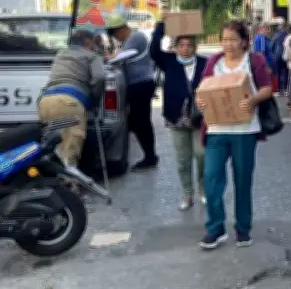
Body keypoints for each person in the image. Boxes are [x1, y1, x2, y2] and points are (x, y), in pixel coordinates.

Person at [196, 20, 273, 250]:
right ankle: (215, 229)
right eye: (224, 39)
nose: (228, 44)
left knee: (243, 180)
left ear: (243, 41)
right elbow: (202, 89)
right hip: (217, 131)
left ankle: (243, 229)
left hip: (244, 131)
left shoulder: (254, 61)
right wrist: (200, 101)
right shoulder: (214, 62)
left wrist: (254, 99)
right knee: (211, 178)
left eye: (233, 39)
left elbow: (267, 88)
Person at [150, 22, 208, 211]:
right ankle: (187, 194)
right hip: (176, 117)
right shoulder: (169, 61)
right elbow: (153, 50)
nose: (185, 49)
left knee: (202, 155)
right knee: (183, 160)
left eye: (189, 45)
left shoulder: (204, 63)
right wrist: (161, 27)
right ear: (175, 47)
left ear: (194, 47)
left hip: (199, 117)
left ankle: (203, 190)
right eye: (181, 45)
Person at [38, 28, 104, 167]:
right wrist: (95, 99)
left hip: (45, 102)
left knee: (53, 144)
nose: (95, 47)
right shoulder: (91, 56)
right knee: (70, 150)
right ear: (87, 43)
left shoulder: (60, 54)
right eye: (93, 44)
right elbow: (100, 77)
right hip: (69, 104)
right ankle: (70, 184)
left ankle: (52, 179)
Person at [107, 17, 159, 171]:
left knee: (141, 121)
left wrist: (110, 59)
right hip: (137, 84)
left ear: (122, 29)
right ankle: (149, 155)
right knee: (139, 121)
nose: (116, 39)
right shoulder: (130, 39)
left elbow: (122, 56)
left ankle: (150, 156)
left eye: (116, 35)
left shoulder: (136, 37)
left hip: (141, 84)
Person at [270, 21, 289, 95]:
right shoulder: (288, 35)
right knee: (286, 72)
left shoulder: (275, 35)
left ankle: (279, 90)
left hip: (277, 55)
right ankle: (285, 88)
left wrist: (273, 53)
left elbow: (271, 46)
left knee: (278, 72)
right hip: (286, 55)